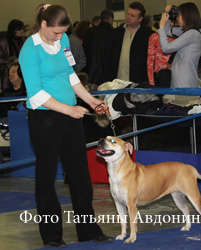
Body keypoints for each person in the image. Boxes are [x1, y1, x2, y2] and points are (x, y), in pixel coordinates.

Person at [19, 4, 112, 248]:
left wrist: (92, 101)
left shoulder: (64, 42)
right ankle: (51, 236)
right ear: (43, 24)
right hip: (44, 118)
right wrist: (69, 109)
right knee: (46, 178)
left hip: (71, 115)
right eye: (56, 33)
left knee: (80, 175)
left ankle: (88, 230)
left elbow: (70, 76)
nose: (59, 37)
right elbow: (36, 94)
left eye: (63, 33)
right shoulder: (30, 49)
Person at [158, 2, 201, 88]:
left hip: (184, 81)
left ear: (186, 16)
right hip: (180, 78)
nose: (177, 18)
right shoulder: (188, 32)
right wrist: (167, 14)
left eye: (178, 15)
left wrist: (161, 26)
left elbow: (166, 48)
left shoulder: (192, 34)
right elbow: (168, 31)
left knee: (181, 101)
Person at [110, 1, 154, 83]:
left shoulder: (148, 35)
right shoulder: (116, 33)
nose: (128, 17)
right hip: (117, 80)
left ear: (140, 19)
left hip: (138, 81)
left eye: (132, 16)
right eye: (128, 14)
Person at [83, 9, 114, 85]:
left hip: (91, 71)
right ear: (111, 19)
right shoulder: (114, 33)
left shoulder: (89, 32)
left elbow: (84, 51)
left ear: (100, 19)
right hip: (109, 73)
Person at [0, 19, 26, 90]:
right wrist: (11, 61)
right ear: (13, 30)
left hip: (22, 70)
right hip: (7, 70)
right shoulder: (3, 43)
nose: (22, 31)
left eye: (22, 29)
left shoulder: (24, 40)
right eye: (19, 29)